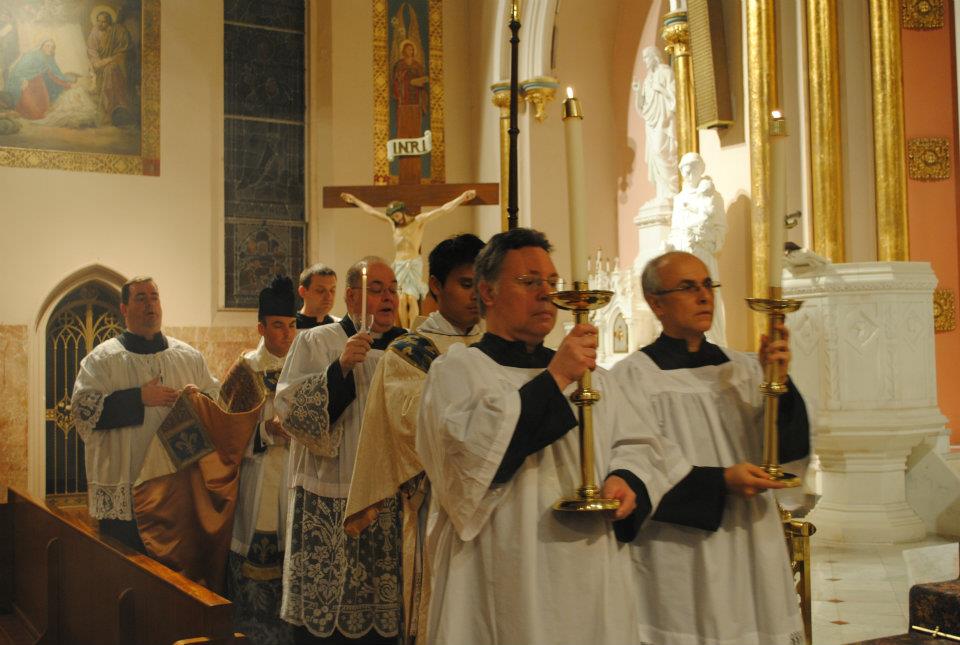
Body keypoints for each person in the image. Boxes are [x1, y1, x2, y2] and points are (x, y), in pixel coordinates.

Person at [416, 228, 689, 645]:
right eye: (529, 282)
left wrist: (627, 479)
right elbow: (470, 462)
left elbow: (641, 445)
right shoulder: (458, 371)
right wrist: (557, 376)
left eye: (552, 282)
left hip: (591, 572)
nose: (546, 294)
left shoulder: (597, 378)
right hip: (505, 572)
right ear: (487, 292)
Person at [610, 251, 809, 645]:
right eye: (688, 287)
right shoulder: (631, 379)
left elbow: (782, 448)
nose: (704, 296)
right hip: (680, 548)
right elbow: (637, 464)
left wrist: (780, 386)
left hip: (751, 535)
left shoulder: (745, 368)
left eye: (707, 285)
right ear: (656, 303)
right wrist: (720, 482)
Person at [344, 233, 485, 645]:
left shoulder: (498, 343)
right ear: (436, 286)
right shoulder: (410, 351)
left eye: (483, 284)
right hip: (439, 504)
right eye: (466, 284)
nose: (477, 295)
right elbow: (414, 427)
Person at [274, 258, 407, 644]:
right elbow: (289, 411)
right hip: (330, 494)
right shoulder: (317, 341)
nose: (388, 297)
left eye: (393, 289)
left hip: (390, 500)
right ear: (351, 297)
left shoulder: (408, 348)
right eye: (377, 289)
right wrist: (341, 369)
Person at [70, 277, 219, 552]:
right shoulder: (102, 360)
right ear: (124, 309)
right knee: (124, 567)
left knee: (174, 570)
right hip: (125, 489)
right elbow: (82, 411)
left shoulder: (188, 357)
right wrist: (138, 398)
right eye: (140, 298)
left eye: (154, 297)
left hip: (177, 488)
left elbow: (216, 404)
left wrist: (199, 400)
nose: (150, 304)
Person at [220, 275, 298, 645]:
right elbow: (224, 433)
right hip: (257, 478)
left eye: (292, 325)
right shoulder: (245, 369)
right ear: (261, 328)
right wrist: (266, 432)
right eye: (278, 325)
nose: (287, 334)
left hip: (294, 479)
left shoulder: (305, 367)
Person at [340, 189, 476, 329]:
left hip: (413, 265)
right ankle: (404, 329)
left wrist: (461, 198)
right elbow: (372, 212)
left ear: (403, 211)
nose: (396, 218)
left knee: (411, 298)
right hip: (399, 265)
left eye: (397, 215)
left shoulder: (418, 221)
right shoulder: (394, 225)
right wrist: (355, 200)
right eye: (393, 217)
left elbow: (442, 210)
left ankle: (413, 329)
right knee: (401, 299)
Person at [667, 152, 728, 344]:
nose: (687, 174)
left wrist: (704, 237)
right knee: (684, 295)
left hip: (703, 253)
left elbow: (721, 228)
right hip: (684, 252)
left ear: (699, 169)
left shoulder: (713, 197)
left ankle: (714, 342)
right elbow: (675, 228)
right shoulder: (679, 199)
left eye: (691, 169)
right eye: (684, 170)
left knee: (707, 294)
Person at [633, 45, 678, 205]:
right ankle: (662, 193)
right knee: (654, 154)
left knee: (661, 151)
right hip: (651, 123)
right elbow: (643, 108)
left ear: (655, 57)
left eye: (647, 57)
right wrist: (638, 93)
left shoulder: (666, 72)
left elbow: (675, 97)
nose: (645, 61)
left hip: (664, 121)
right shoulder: (648, 79)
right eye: (644, 58)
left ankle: (673, 189)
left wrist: (661, 90)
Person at [6, 39, 76, 120]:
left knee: (44, 105)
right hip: (26, 82)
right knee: (33, 111)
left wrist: (67, 81)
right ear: (41, 46)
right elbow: (19, 70)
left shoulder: (49, 58)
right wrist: (22, 79)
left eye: (52, 47)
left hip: (38, 82)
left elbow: (55, 74)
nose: (50, 49)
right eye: (47, 46)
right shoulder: (31, 56)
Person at [86, 8, 133, 125]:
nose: (100, 24)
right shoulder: (94, 32)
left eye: (104, 22)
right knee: (103, 72)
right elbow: (91, 50)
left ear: (110, 21)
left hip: (116, 62)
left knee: (110, 69)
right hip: (100, 65)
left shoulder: (119, 31)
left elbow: (123, 51)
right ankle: (106, 111)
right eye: (99, 21)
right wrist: (96, 62)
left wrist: (108, 60)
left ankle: (115, 108)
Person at [296, 263, 338, 329]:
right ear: (303, 291)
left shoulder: (340, 327)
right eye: (320, 290)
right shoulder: (289, 329)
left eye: (332, 290)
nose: (329, 296)